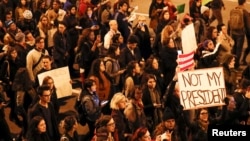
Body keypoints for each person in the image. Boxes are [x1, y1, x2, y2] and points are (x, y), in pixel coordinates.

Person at [228, 0, 250, 69]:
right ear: (244, 2)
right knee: (238, 50)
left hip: (232, 32)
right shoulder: (245, 12)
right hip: (240, 33)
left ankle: (231, 63)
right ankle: (236, 65)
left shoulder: (233, 10)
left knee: (233, 49)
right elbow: (248, 25)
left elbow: (229, 22)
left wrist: (229, 32)